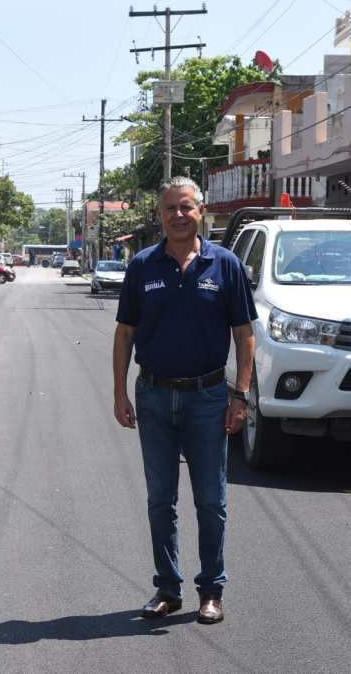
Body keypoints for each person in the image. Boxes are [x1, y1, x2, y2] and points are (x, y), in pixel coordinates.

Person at [112, 177, 256, 625]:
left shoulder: (225, 265)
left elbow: (244, 335)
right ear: (160, 215)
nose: (178, 214)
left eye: (186, 207)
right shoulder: (142, 266)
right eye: (170, 208)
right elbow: (125, 333)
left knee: (211, 500)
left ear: (201, 211)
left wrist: (240, 395)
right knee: (160, 501)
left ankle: (211, 590)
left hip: (208, 398)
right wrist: (119, 392)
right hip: (153, 396)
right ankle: (167, 589)